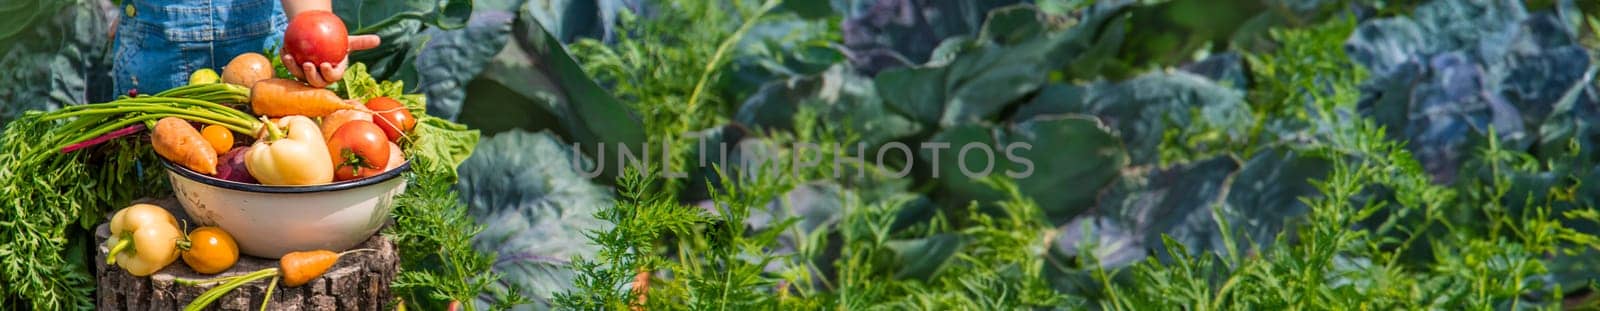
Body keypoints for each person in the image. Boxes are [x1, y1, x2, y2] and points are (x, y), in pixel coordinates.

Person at [112, 0, 380, 95]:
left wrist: (316, 35)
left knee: (265, 178)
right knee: (154, 191)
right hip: (157, 52)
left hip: (264, 51)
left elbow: (312, 25)